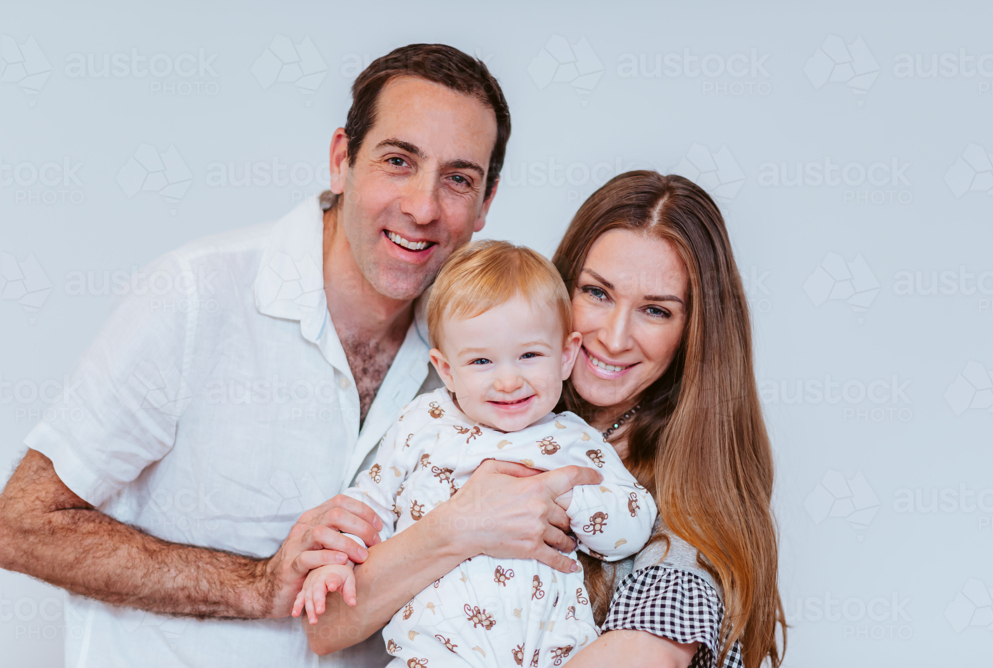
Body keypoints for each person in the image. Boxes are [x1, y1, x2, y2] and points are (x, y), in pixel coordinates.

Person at [0, 44, 600, 668]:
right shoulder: (195, 297)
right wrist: (256, 584)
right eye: (398, 161)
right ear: (342, 160)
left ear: (486, 202)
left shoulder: (485, 358)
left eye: (457, 179)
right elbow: (21, 525)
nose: (423, 208)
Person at [294, 240, 656, 666]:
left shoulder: (575, 442)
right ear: (446, 370)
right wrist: (338, 562)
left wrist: (569, 500)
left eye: (528, 355)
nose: (507, 381)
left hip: (551, 655)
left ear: (565, 356)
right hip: (432, 656)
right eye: (482, 362)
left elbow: (633, 524)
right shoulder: (424, 422)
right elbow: (369, 503)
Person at [552, 172, 787, 668]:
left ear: (694, 331)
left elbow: (646, 657)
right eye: (597, 293)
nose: (614, 338)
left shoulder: (696, 487)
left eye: (655, 310)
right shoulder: (490, 411)